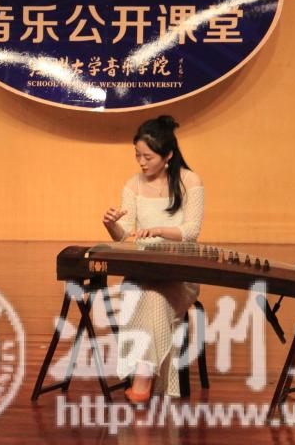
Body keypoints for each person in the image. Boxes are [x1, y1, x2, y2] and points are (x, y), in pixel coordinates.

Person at [101, 115, 204, 404]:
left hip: (179, 273)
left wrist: (158, 230)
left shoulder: (189, 181)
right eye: (137, 155)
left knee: (155, 298)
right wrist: (111, 224)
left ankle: (143, 379)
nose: (141, 163)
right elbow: (124, 236)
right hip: (143, 271)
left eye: (148, 157)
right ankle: (147, 378)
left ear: (168, 155)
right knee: (142, 293)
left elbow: (191, 231)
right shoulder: (133, 185)